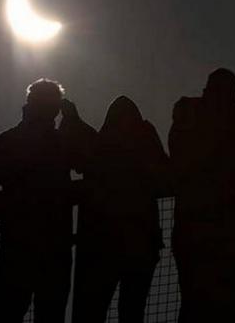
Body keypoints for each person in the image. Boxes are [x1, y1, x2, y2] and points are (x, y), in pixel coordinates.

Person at [168, 68, 235, 323]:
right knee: (223, 306)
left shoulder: (190, 118)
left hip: (199, 225)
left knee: (197, 304)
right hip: (234, 226)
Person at [0, 79, 97, 323]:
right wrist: (74, 121)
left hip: (17, 243)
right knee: (50, 313)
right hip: (53, 244)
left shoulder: (9, 139)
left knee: (9, 312)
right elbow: (92, 158)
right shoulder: (61, 141)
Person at [72, 96, 168, 323]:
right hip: (138, 240)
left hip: (106, 242)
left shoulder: (102, 145)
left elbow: (83, 161)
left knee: (97, 308)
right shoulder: (143, 136)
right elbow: (163, 172)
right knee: (131, 309)